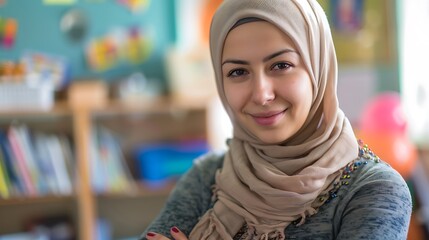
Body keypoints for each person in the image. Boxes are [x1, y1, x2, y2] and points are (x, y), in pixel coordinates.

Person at [140, 0, 412, 239]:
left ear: (318, 68)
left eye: (281, 65)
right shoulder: (208, 177)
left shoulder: (373, 190)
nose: (261, 94)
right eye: (237, 72)